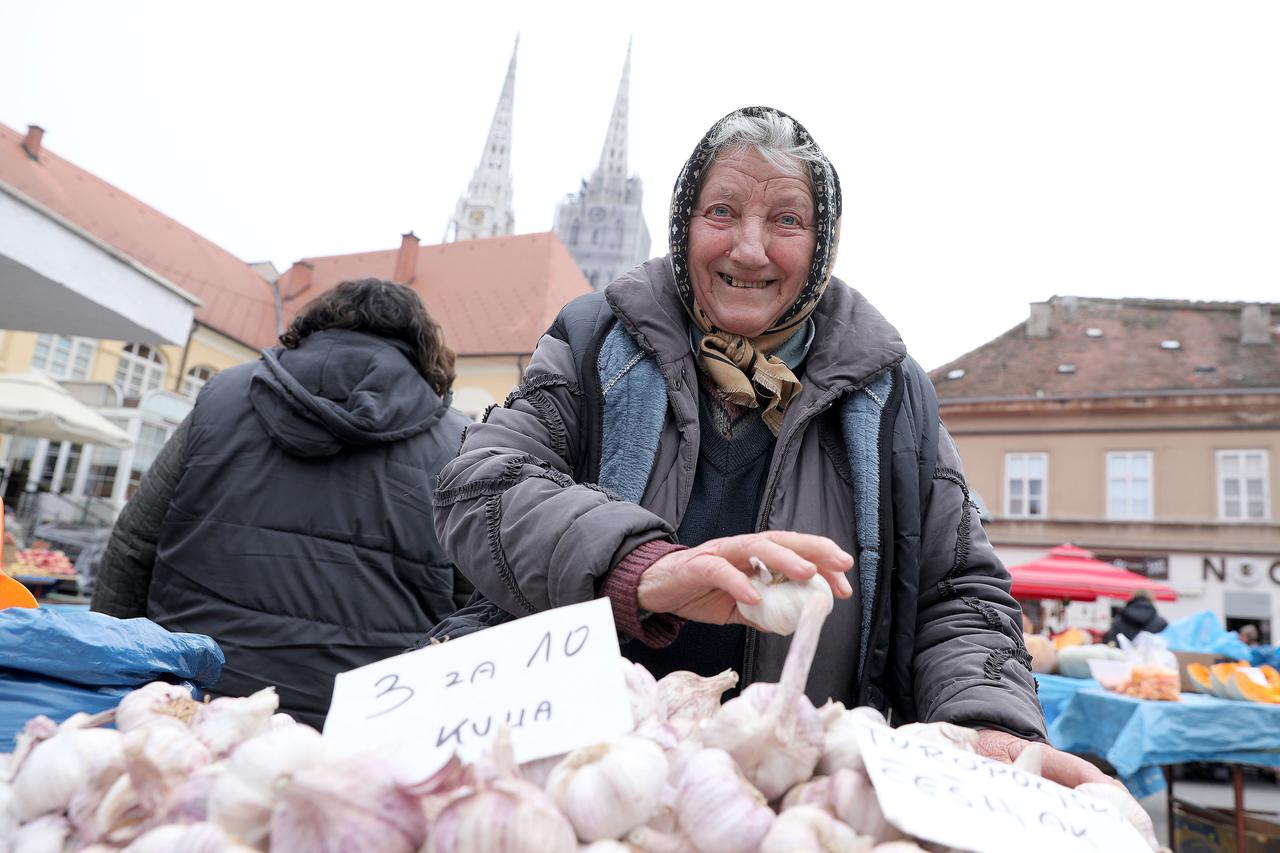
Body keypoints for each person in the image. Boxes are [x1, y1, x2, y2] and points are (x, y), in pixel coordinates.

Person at [432, 106, 1112, 787]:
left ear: (822, 244)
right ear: (682, 223)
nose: (749, 249)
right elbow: (480, 485)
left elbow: (959, 588)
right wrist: (640, 568)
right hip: (587, 784)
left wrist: (986, 720)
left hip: (796, 799)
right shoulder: (598, 342)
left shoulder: (890, 392)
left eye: (786, 219)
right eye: (722, 211)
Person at [92, 279, 472, 727]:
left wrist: (109, 673)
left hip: (188, 708)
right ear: (423, 347)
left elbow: (133, 544)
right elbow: (470, 607)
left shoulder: (223, 399)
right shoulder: (457, 444)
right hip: (362, 726)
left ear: (314, 323)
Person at [1103, 589, 1168, 644]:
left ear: (1132, 598)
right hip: (1152, 658)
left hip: (1123, 656)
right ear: (1152, 599)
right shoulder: (1161, 622)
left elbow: (1111, 640)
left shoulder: (1119, 619)